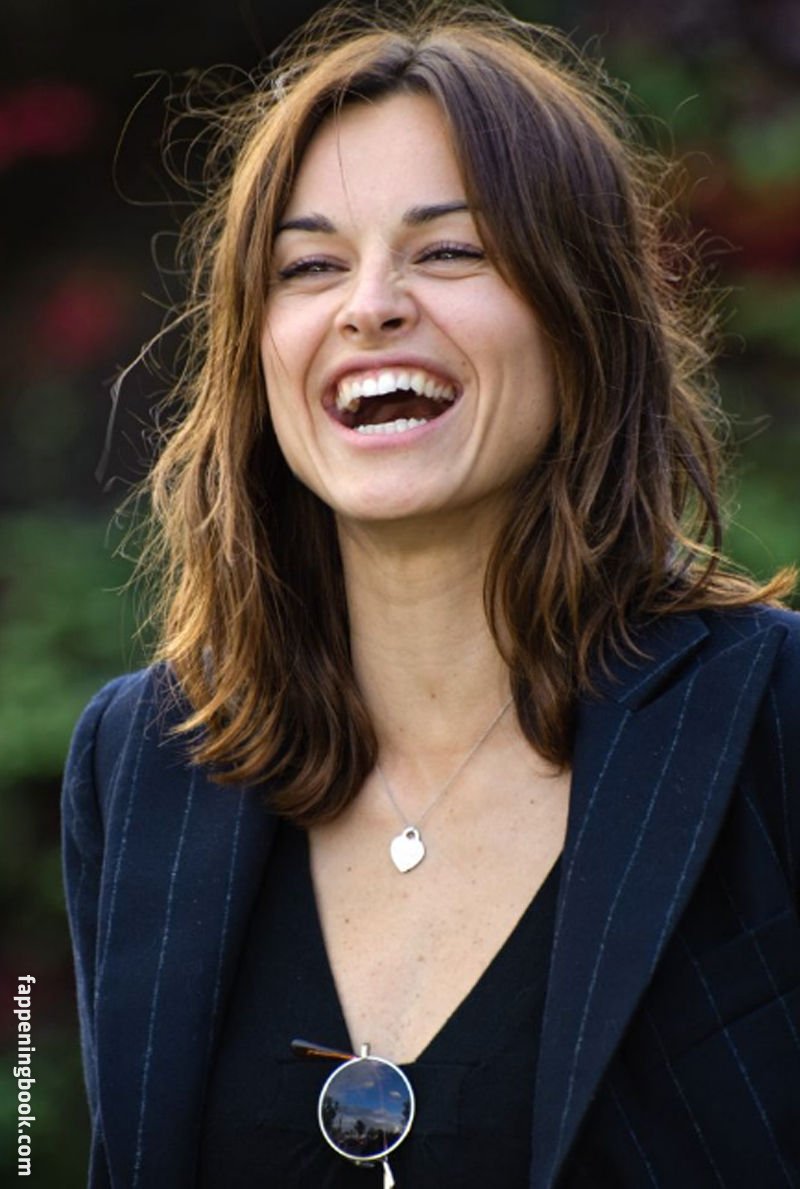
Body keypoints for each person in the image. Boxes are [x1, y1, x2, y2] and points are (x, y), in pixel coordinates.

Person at [62, 3, 800, 1187]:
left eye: (448, 251)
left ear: (579, 312)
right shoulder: (140, 761)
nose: (368, 305)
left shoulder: (772, 715)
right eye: (308, 266)